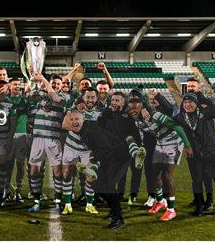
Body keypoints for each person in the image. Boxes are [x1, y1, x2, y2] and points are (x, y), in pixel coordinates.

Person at [61, 108, 140, 230]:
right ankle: (114, 212)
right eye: (71, 120)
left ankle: (118, 218)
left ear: (83, 120)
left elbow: (105, 149)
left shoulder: (91, 130)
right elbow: (64, 125)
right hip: (110, 155)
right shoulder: (82, 129)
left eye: (77, 119)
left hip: (119, 155)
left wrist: (94, 163)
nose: (74, 122)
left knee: (106, 185)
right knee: (97, 184)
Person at [127, 89, 193, 221]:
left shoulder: (155, 115)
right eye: (131, 107)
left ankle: (171, 209)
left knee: (166, 175)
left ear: (142, 105)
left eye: (136, 106)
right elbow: (149, 133)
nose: (133, 109)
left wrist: (187, 145)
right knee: (154, 175)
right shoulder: (139, 121)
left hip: (174, 142)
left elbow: (177, 127)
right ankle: (160, 201)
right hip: (161, 142)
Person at [173, 92, 215, 219]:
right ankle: (199, 207)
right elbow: (167, 115)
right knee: (197, 181)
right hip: (194, 155)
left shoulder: (206, 112)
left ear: (196, 103)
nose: (188, 104)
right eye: (186, 102)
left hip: (212, 152)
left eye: (191, 102)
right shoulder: (180, 117)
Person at [27, 74, 69, 213]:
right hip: (38, 139)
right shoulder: (38, 97)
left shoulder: (63, 97)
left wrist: (43, 80)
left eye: (58, 83)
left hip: (53, 139)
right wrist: (32, 77)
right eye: (54, 83)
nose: (56, 85)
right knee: (34, 171)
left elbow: (55, 98)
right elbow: (26, 97)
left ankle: (58, 201)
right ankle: (36, 201)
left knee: (57, 171)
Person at [61, 88, 101, 215]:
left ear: (96, 98)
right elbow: (64, 125)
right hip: (71, 146)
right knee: (67, 174)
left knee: (90, 176)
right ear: (83, 98)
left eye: (93, 97)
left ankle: (89, 204)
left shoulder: (100, 114)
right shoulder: (74, 109)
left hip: (88, 150)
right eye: (87, 97)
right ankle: (67, 204)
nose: (90, 100)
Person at [186, 77, 215, 210]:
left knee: (206, 174)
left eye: (193, 86)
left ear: (199, 87)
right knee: (195, 175)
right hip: (192, 145)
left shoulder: (206, 102)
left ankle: (209, 200)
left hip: (205, 145)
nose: (191, 88)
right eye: (189, 86)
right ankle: (198, 199)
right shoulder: (186, 102)